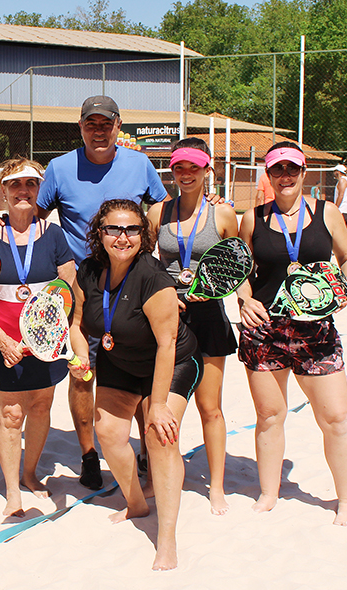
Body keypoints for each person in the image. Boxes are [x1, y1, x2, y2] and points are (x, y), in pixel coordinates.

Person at [35, 95, 169, 490]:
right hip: (83, 290)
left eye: (105, 124)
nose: (98, 130)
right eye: (90, 124)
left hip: (134, 285)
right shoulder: (59, 169)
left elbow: (163, 208)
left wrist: (202, 206)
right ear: (80, 127)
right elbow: (35, 218)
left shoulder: (139, 163)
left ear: (117, 125)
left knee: (141, 372)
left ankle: (146, 450)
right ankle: (88, 453)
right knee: (81, 375)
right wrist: (4, 222)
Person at [69, 199, 203, 571]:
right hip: (120, 359)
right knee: (109, 433)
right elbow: (78, 324)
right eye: (114, 228)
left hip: (171, 362)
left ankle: (167, 538)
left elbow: (167, 343)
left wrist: (157, 405)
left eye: (132, 229)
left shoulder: (153, 276)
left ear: (144, 235)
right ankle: (136, 503)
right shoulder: (89, 270)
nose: (123, 237)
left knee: (161, 437)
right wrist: (80, 358)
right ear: (100, 232)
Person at [236, 142, 347, 525]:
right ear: (268, 175)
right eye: (277, 170)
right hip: (266, 329)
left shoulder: (328, 213)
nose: (285, 176)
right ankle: (269, 493)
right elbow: (240, 269)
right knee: (270, 416)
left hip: (315, 329)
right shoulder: (253, 219)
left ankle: (346, 502)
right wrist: (243, 300)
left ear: (304, 172)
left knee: (336, 418)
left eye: (292, 169)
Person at [0, 158, 77, 517]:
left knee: (40, 407)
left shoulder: (53, 234)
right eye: (15, 184)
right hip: (4, 343)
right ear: (2, 190)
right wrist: (3, 341)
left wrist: (50, 338)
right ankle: (12, 493)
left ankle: (31, 474)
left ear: (39, 190)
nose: (23, 191)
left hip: (46, 342)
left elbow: (69, 289)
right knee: (11, 415)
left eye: (31, 184)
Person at [147, 138, 240, 515]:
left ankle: (216, 486)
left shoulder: (223, 215)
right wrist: (165, 292)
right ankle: (158, 477)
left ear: (206, 171)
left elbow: (236, 261)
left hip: (209, 316)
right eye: (178, 168)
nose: (185, 174)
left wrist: (235, 296)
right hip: (171, 315)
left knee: (210, 408)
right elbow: (145, 260)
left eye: (193, 168)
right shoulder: (158, 211)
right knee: (159, 403)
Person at [333, 163, 347, 229]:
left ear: (338, 172)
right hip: (346, 209)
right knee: (345, 228)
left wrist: (336, 207)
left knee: (339, 228)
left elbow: (341, 195)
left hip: (343, 209)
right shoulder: (346, 180)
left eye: (335, 171)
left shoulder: (342, 180)